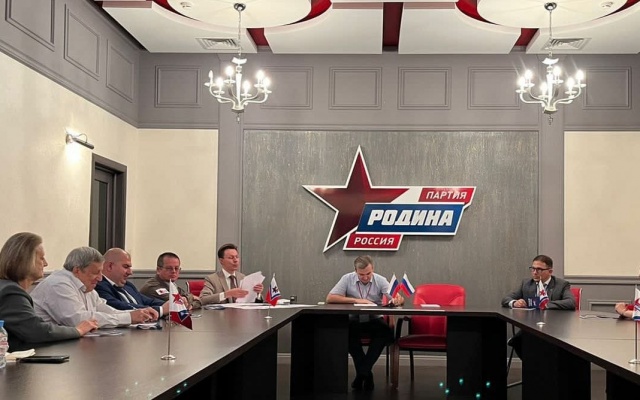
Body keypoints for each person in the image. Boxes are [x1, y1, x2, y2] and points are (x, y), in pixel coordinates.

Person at [0, 233, 98, 350]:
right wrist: (78, 330)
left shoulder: (7, 288)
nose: (46, 263)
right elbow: (35, 330)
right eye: (41, 258)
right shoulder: (10, 292)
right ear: (26, 261)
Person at [326, 255, 404, 391]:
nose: (365, 277)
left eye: (368, 273)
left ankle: (362, 373)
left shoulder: (380, 280)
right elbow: (330, 298)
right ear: (355, 270)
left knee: (385, 333)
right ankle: (366, 374)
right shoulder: (347, 278)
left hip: (374, 319)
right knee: (347, 334)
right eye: (361, 274)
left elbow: (398, 298)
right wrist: (357, 300)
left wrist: (398, 300)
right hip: (355, 319)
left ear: (372, 269)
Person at [31, 246, 155, 328]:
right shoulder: (59, 284)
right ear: (77, 270)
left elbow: (105, 310)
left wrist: (136, 314)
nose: (100, 278)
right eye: (96, 273)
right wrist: (128, 318)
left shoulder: (86, 286)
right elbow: (78, 320)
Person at [501, 254, 576, 358]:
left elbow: (571, 302)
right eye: (533, 269)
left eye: (539, 270)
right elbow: (506, 299)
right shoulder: (526, 283)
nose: (535, 272)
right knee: (516, 342)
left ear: (550, 271)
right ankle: (531, 365)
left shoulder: (561, 284)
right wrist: (514, 303)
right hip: (531, 325)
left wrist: (545, 304)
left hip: (554, 326)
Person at [96, 248, 168, 319]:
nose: (130, 272)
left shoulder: (128, 285)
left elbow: (149, 301)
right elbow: (119, 307)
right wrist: (160, 310)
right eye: (126, 267)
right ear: (110, 266)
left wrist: (170, 306)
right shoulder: (99, 286)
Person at [200, 243, 264, 305]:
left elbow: (254, 303)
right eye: (231, 257)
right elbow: (203, 299)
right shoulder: (212, 279)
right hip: (222, 312)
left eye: (237, 257)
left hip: (241, 312)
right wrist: (226, 294)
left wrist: (258, 293)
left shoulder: (243, 277)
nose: (235, 260)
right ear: (221, 261)